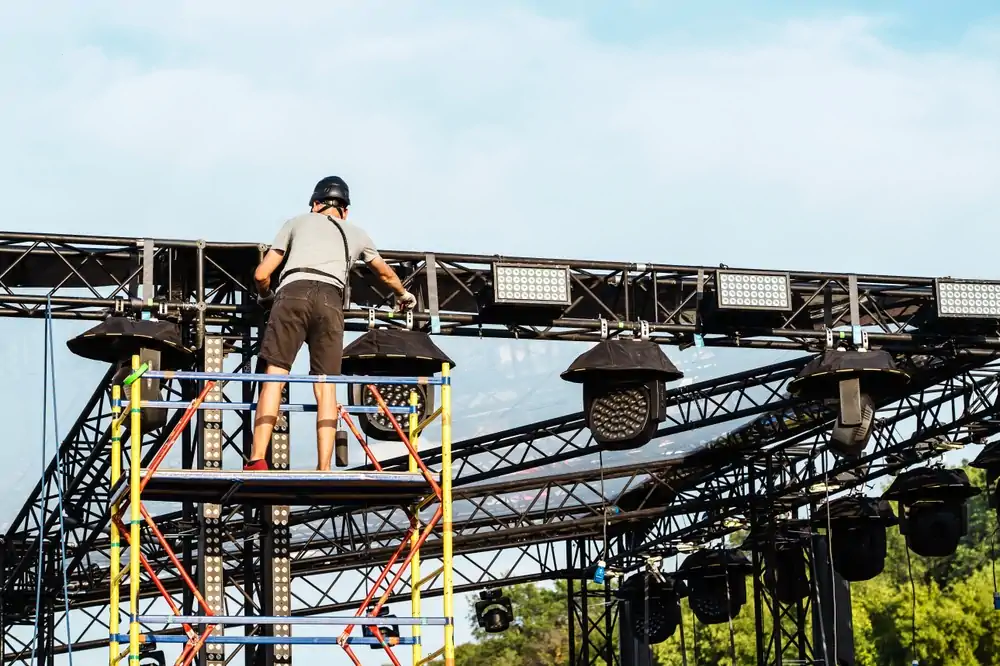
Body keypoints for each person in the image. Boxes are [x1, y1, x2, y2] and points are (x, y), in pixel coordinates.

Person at [245, 176, 416, 471]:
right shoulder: (357, 233)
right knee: (326, 386)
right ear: (345, 211)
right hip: (331, 299)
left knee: (274, 377)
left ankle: (257, 459)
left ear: (315, 205)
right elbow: (386, 274)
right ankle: (323, 467)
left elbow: (262, 274)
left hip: (292, 292)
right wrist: (404, 295)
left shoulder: (296, 222)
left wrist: (267, 298)